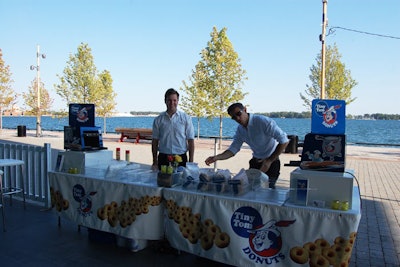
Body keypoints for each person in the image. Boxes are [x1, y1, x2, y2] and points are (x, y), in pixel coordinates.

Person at [205, 103, 289, 189]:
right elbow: (233, 149)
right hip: (255, 163)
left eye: (238, 114)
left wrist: (269, 160)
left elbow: (284, 140)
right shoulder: (240, 130)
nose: (237, 118)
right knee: (251, 192)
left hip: (272, 162)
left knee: (268, 194)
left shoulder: (263, 121)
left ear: (245, 110)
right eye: (234, 117)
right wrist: (216, 157)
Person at [151, 88, 195, 171]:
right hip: (163, 158)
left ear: (178, 101)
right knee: (162, 183)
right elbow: (155, 141)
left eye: (174, 100)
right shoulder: (158, 120)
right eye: (169, 100)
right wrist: (154, 161)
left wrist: (191, 162)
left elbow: (190, 140)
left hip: (181, 158)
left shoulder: (186, 118)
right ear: (165, 101)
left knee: (181, 182)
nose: (172, 103)